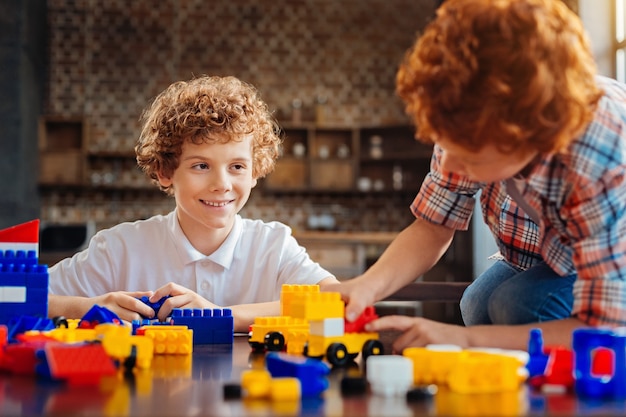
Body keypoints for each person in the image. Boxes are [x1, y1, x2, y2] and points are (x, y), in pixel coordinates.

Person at [328, 0, 626, 352]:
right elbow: (432, 225)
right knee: (476, 302)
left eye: (469, 157)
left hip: (611, 264)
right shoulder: (462, 114)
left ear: (527, 134)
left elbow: (604, 326)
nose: (450, 166)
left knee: (518, 304)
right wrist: (368, 285)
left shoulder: (600, 148)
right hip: (546, 253)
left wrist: (464, 339)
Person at [48, 75, 338, 332]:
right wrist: (90, 308)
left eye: (237, 166)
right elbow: (16, 298)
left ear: (255, 172)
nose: (222, 184)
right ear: (165, 172)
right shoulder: (120, 248)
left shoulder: (273, 246)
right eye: (201, 166)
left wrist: (219, 316)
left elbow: (335, 301)